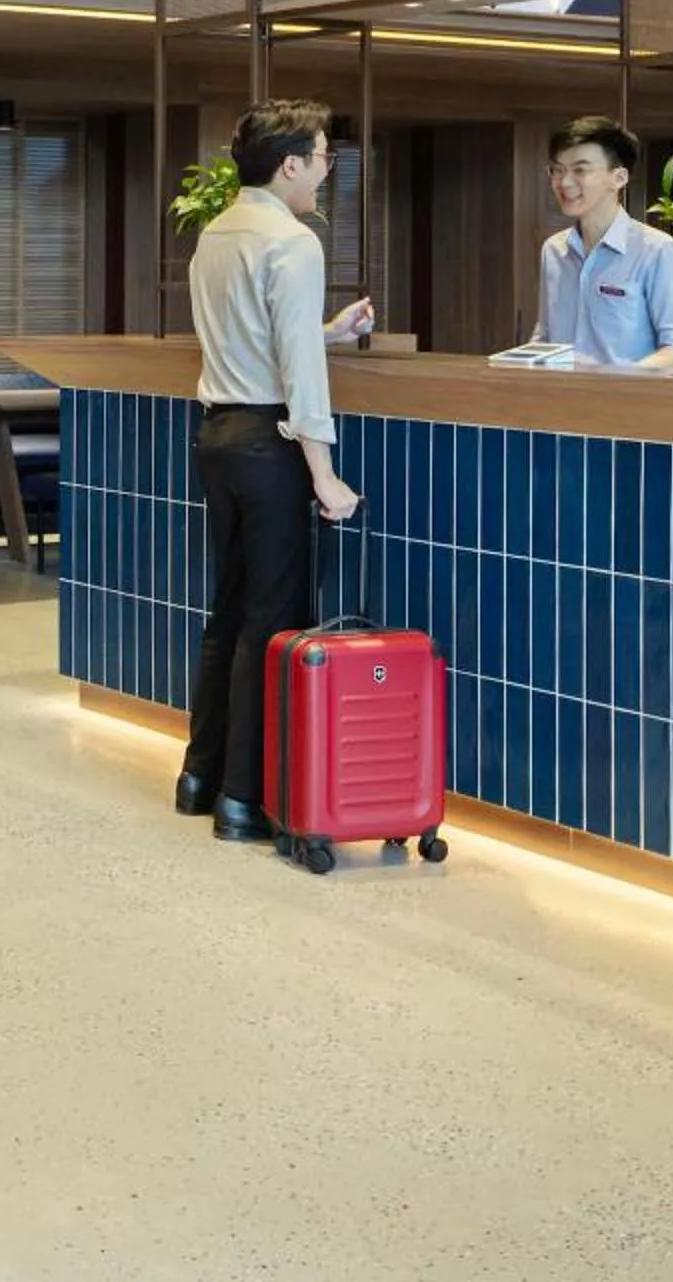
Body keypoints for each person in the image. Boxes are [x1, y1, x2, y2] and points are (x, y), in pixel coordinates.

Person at [176, 99, 375, 840]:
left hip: (217, 438)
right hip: (268, 446)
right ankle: (242, 798)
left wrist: (328, 331)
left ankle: (199, 776)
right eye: (323, 156)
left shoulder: (216, 233)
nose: (327, 170)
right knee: (271, 618)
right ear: (290, 164)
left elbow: (252, 341)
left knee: (227, 613)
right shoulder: (291, 241)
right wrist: (324, 476)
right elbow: (298, 378)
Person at [534, 116, 673, 370]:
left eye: (580, 170)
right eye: (557, 170)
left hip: (629, 404)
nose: (564, 182)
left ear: (619, 178)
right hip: (558, 404)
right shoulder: (553, 250)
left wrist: (616, 385)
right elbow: (545, 337)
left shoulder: (657, 251)